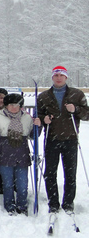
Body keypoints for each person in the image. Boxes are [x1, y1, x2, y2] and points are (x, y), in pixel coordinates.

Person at [38, 66, 89, 214]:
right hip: (51, 139)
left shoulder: (77, 94)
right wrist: (43, 119)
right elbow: (38, 116)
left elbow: (87, 114)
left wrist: (76, 110)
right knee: (50, 173)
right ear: (52, 77)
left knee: (70, 173)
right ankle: (53, 203)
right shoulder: (44, 96)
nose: (58, 78)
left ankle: (68, 203)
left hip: (70, 139)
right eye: (56, 75)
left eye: (61, 75)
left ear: (66, 77)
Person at [0, 93, 41, 215]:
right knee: (8, 184)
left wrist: (38, 126)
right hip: (4, 155)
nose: (14, 107)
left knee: (22, 184)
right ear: (6, 105)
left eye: (17, 105)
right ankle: (9, 206)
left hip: (21, 155)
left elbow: (33, 136)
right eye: (11, 104)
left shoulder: (26, 118)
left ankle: (22, 205)